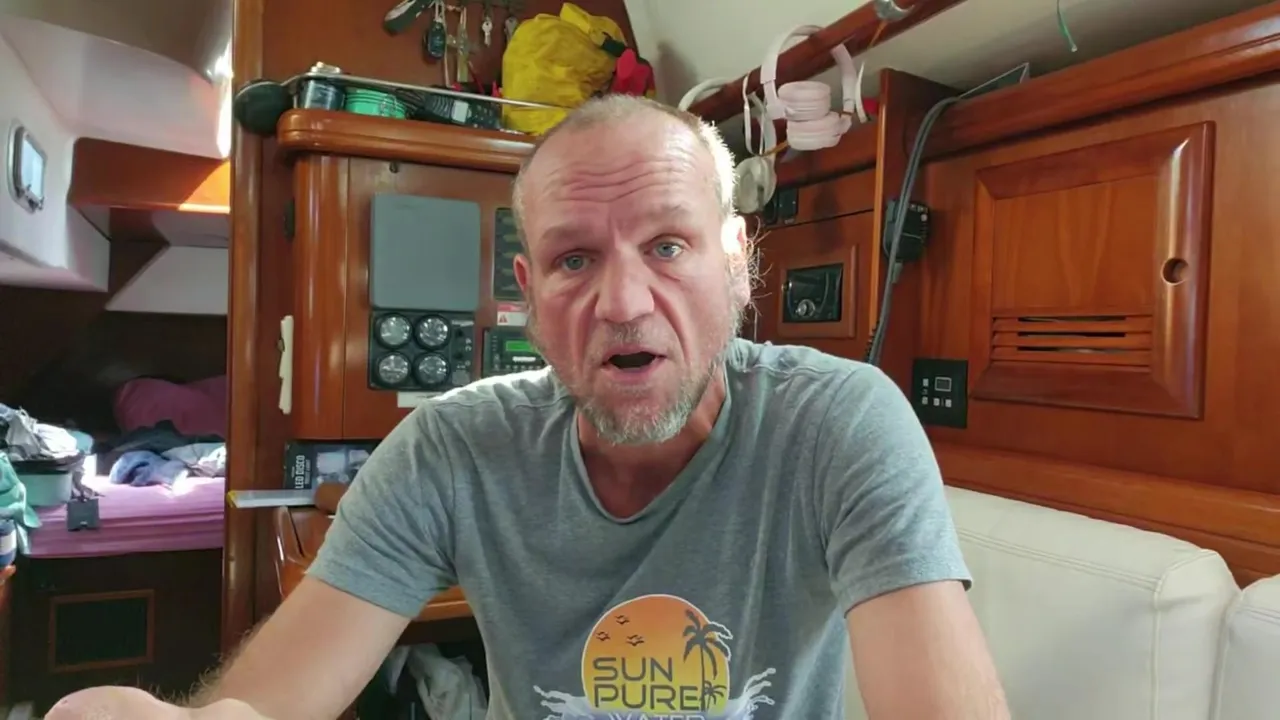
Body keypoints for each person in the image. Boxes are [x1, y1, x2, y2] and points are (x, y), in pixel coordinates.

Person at [47, 95, 1008, 720]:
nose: (623, 301)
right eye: (574, 259)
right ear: (530, 295)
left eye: (668, 246)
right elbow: (273, 699)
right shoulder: (449, 450)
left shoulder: (841, 425)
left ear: (737, 263)